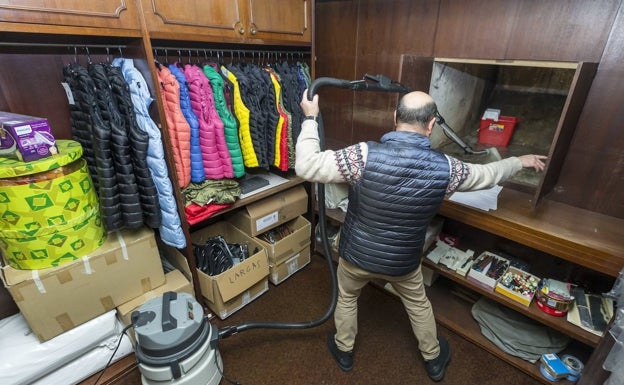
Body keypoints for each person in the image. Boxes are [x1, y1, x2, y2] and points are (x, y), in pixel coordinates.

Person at [295, 89, 547, 382]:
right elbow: (488, 174)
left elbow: (306, 165)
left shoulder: (361, 154)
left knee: (348, 297)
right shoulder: (448, 168)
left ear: (394, 118)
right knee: (418, 304)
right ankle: (433, 359)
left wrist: (311, 118)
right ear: (430, 125)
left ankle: (344, 350)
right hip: (403, 262)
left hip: (357, 255)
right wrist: (519, 161)